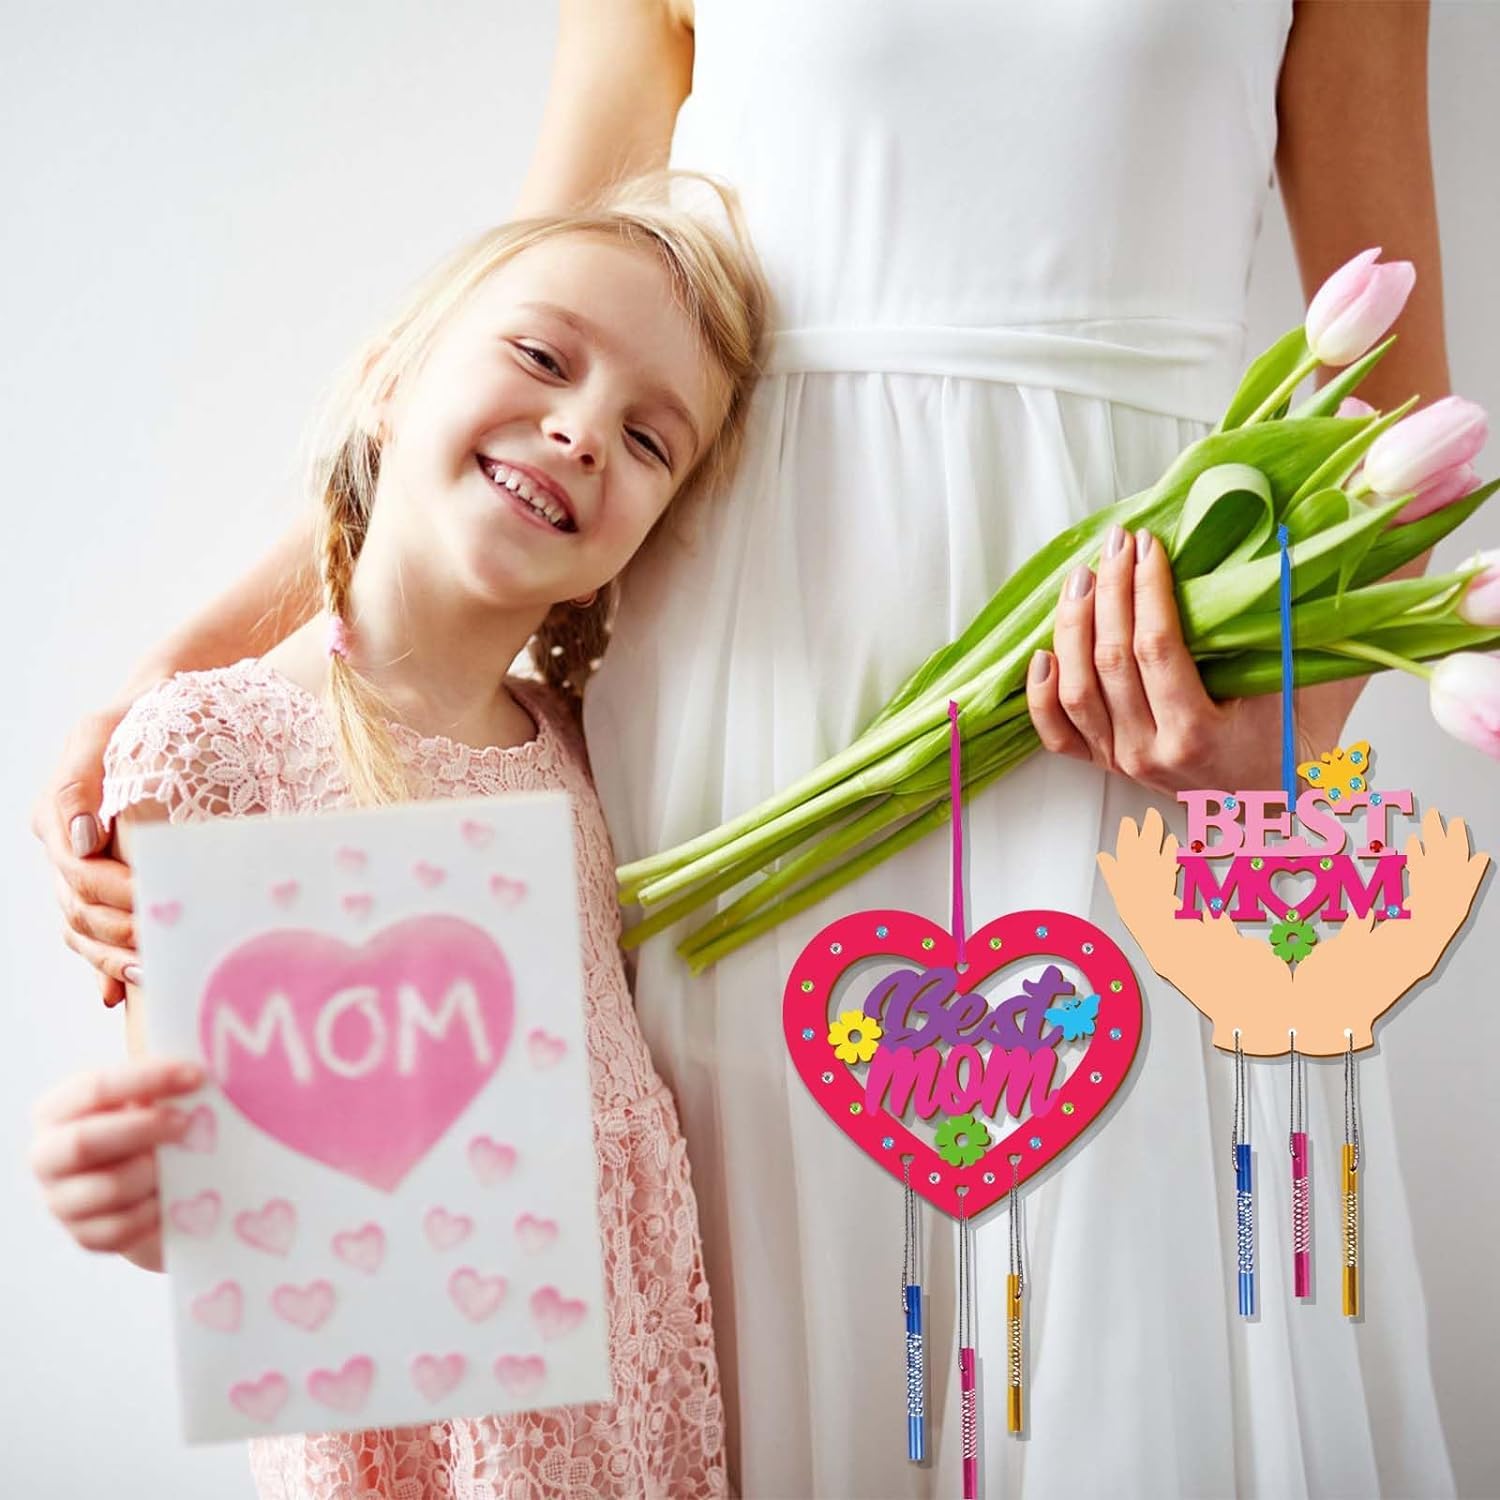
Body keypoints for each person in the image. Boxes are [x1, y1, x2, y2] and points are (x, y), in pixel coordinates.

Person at [37, 2, 1459, 1494]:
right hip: (736, 683)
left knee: (1108, 1270)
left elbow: (1397, 402)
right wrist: (173, 680)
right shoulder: (554, 674)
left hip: (1111, 678)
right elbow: (514, 317)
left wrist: (1287, 729)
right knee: (689, 1258)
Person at [29, 174, 768, 1499]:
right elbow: (228, 1216)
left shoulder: (593, 761)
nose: (584, 429)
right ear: (388, 384)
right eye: (544, 357)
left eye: (651, 442)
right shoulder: (209, 748)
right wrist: (134, 1199)